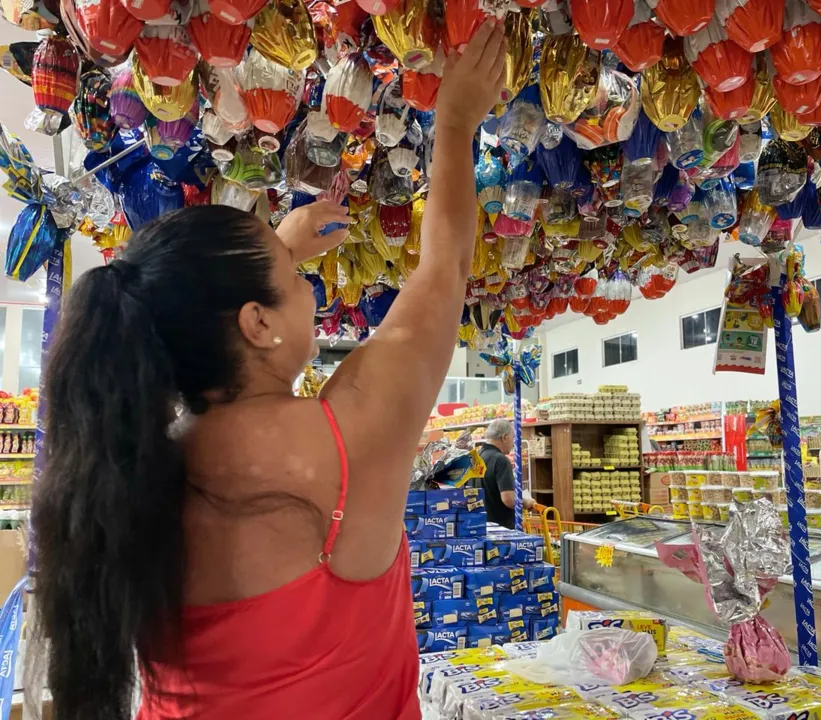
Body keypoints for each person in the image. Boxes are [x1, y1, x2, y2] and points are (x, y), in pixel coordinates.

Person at [31, 22, 507, 720]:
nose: (311, 289)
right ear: (255, 323)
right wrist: (458, 121)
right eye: (295, 278)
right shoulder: (347, 436)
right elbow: (446, 266)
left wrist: (267, 257)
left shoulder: (132, 469)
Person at [476, 419, 534, 528]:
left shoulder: (475, 457)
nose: (513, 444)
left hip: (478, 525)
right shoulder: (501, 460)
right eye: (513, 439)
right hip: (500, 529)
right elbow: (509, 499)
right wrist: (527, 503)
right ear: (504, 437)